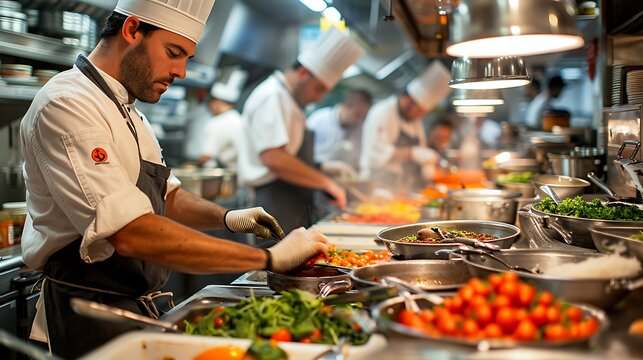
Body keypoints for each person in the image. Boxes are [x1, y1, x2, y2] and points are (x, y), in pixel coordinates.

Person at [19, 1, 329, 358]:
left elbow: (168, 196)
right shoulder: (67, 104)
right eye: (173, 52)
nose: (181, 71)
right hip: (87, 318)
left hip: (134, 311)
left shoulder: (130, 111)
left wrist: (226, 218)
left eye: (187, 58)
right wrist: (268, 259)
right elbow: (131, 232)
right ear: (132, 30)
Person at [238, 27, 364, 233]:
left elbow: (290, 154)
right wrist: (325, 182)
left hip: (290, 202)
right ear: (303, 72)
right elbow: (274, 158)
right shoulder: (273, 96)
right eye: (319, 88)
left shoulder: (289, 101)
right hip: (270, 204)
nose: (319, 98)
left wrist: (321, 166)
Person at [359, 60, 452, 190]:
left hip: (402, 188)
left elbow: (421, 150)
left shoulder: (415, 121)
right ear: (409, 101)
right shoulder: (382, 112)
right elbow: (376, 157)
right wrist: (412, 153)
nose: (420, 116)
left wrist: (426, 165)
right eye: (420, 111)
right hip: (376, 187)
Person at [307, 89, 373, 177]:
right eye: (357, 115)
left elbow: (359, 161)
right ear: (347, 106)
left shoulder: (360, 130)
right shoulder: (319, 120)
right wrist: (327, 167)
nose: (359, 121)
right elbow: (302, 156)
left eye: (363, 117)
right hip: (311, 173)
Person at [196, 67, 248, 169]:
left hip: (223, 175)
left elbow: (207, 156)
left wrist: (194, 165)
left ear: (216, 103)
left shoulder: (217, 122)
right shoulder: (239, 119)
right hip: (240, 174)